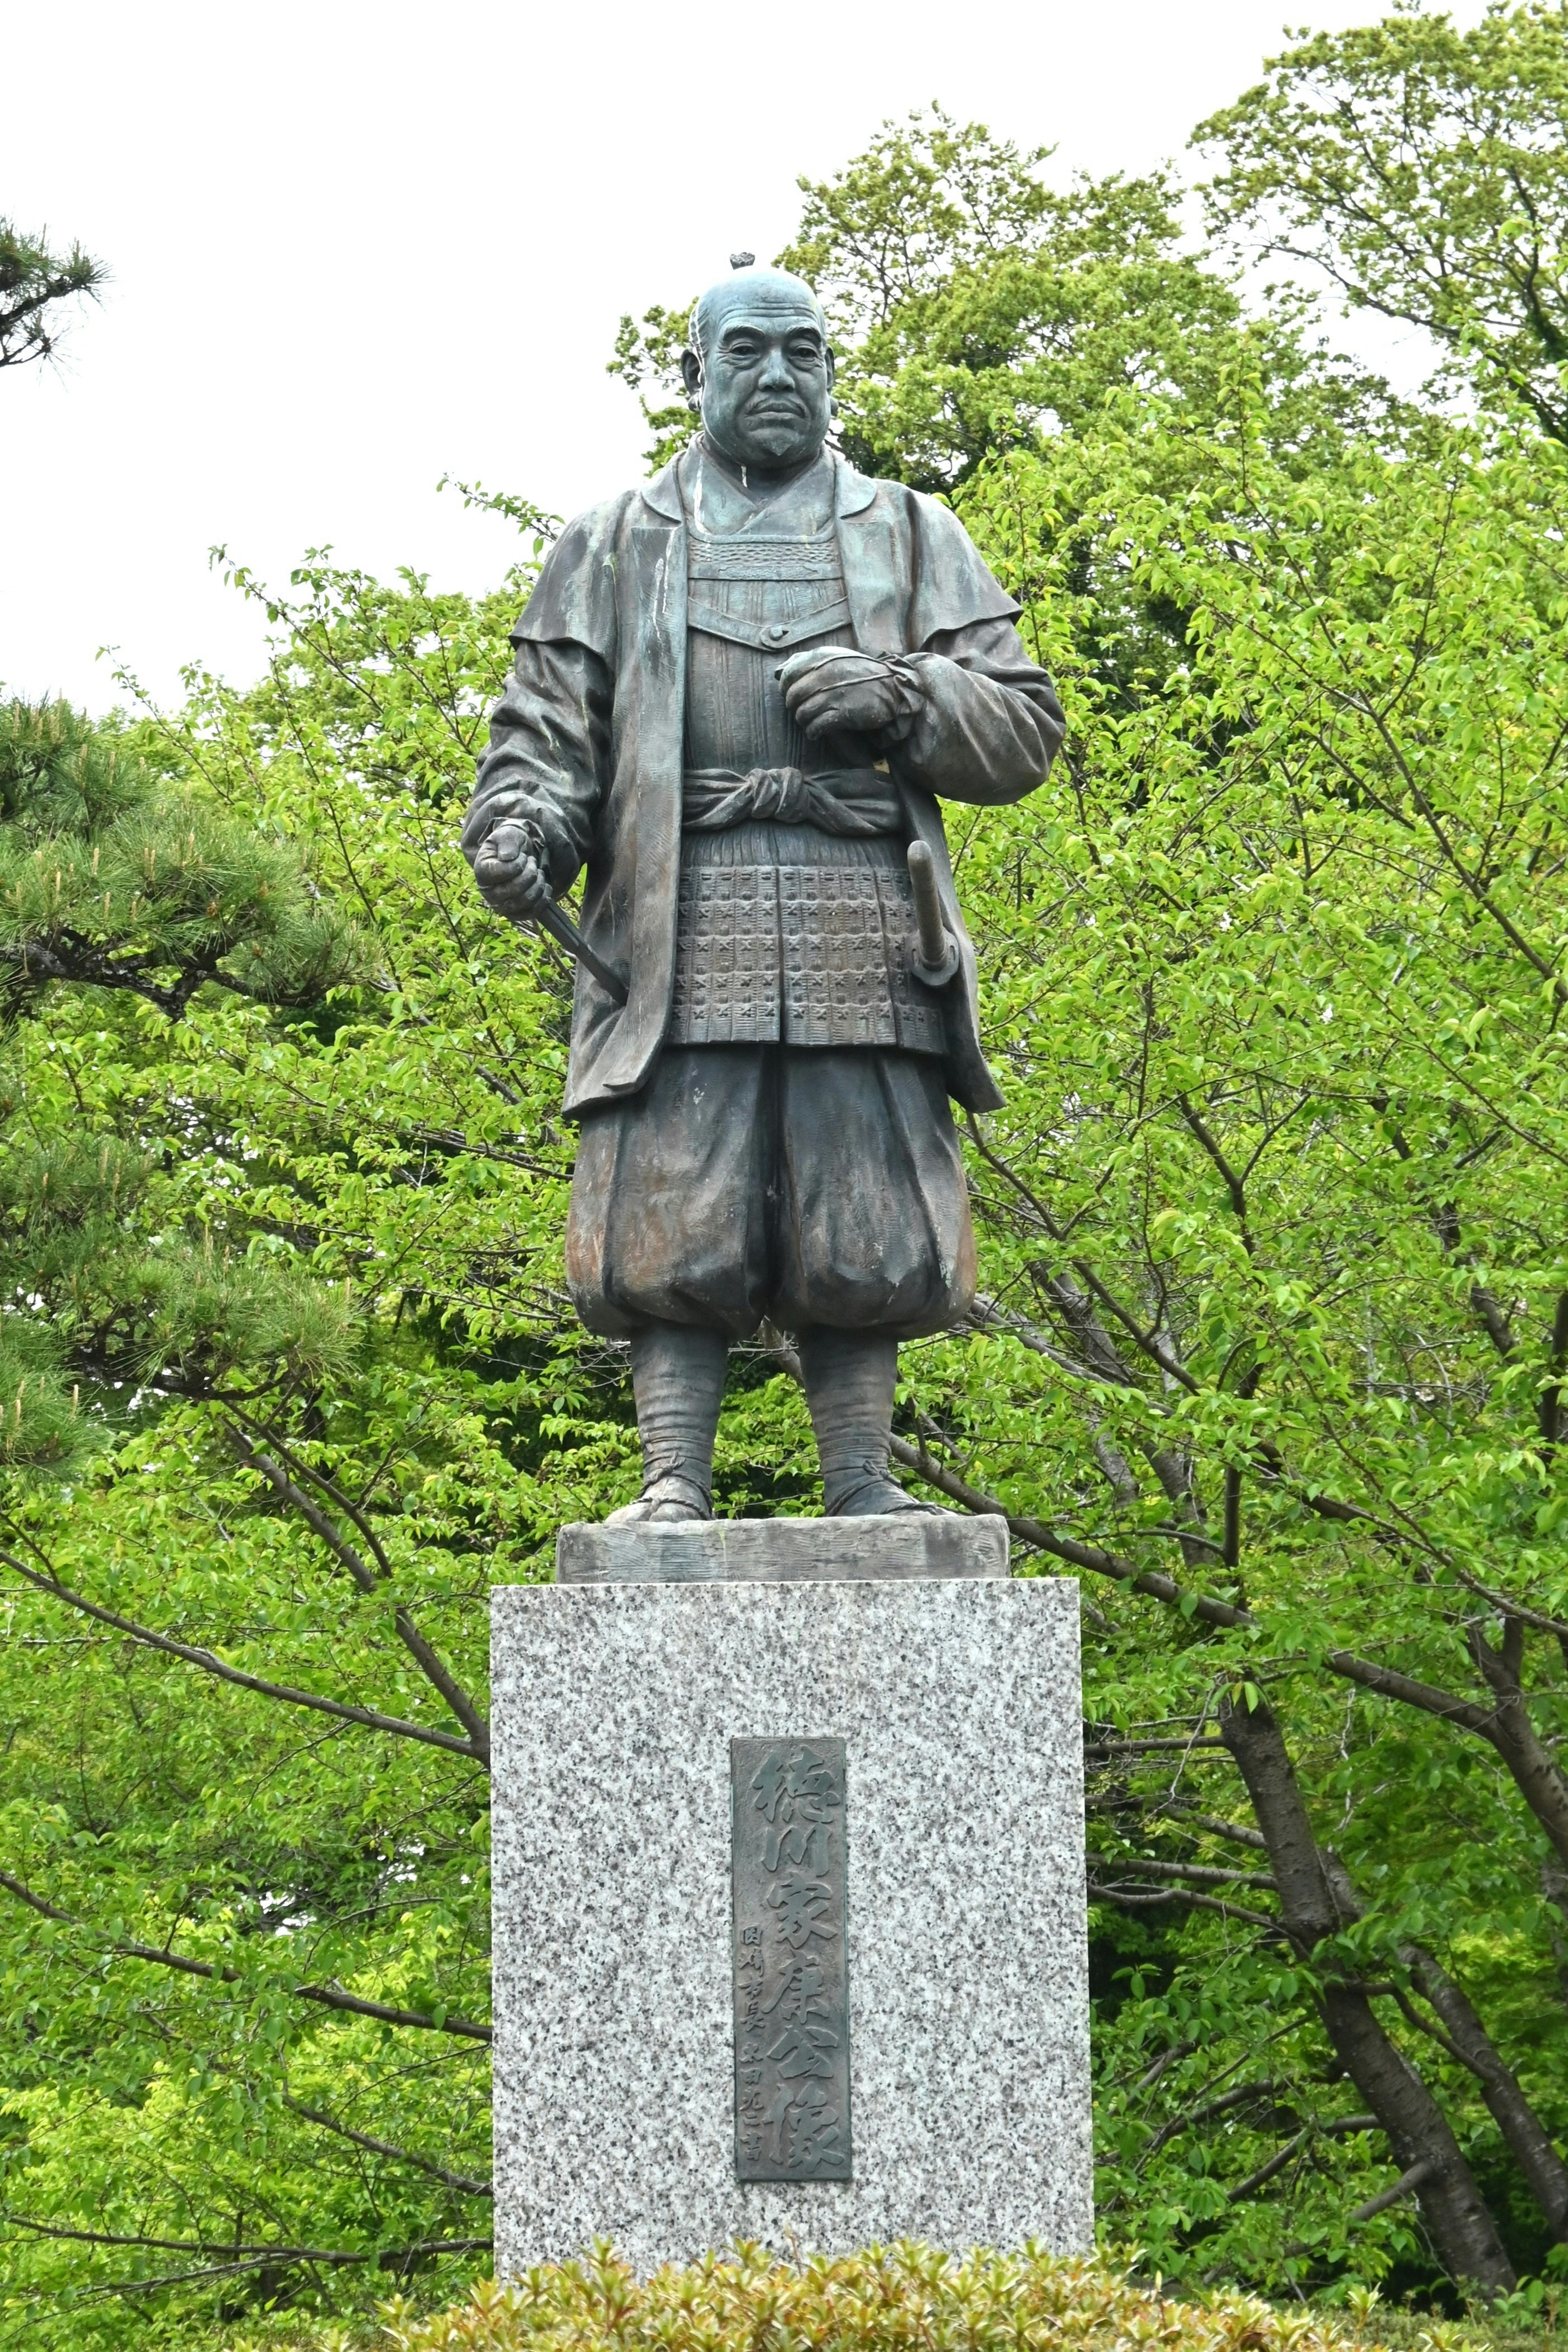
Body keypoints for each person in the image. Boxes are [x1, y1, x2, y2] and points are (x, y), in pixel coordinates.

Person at [462, 260, 1064, 1521]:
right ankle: (673, 1482)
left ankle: (865, 1486)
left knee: (867, 1208)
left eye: (804, 352)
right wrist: (521, 829)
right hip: (682, 925)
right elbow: (546, 741)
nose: (779, 375)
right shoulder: (617, 541)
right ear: (696, 375)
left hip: (868, 923)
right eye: (747, 353)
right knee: (677, 1199)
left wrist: (906, 695)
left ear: (833, 372)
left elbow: (1022, 730)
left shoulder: (908, 530)